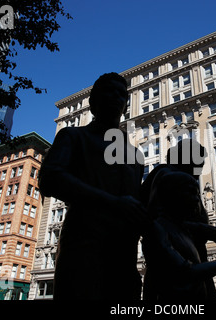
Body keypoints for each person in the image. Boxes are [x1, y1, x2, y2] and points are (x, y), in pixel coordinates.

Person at [39, 72, 147, 300]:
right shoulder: (73, 137)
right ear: (93, 102)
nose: (117, 98)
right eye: (110, 91)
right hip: (83, 250)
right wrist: (113, 203)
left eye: (122, 94)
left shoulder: (136, 157)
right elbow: (50, 179)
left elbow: (139, 206)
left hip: (124, 258)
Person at [141, 171, 216, 300]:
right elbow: (185, 273)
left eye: (198, 194)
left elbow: (185, 226)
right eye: (191, 192)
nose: (196, 199)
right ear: (171, 195)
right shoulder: (158, 229)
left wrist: (203, 228)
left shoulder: (179, 226)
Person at [140, 138, 216, 300]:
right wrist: (200, 228)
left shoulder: (184, 180)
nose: (200, 167)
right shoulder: (166, 174)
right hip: (173, 268)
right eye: (198, 161)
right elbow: (157, 220)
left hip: (193, 258)